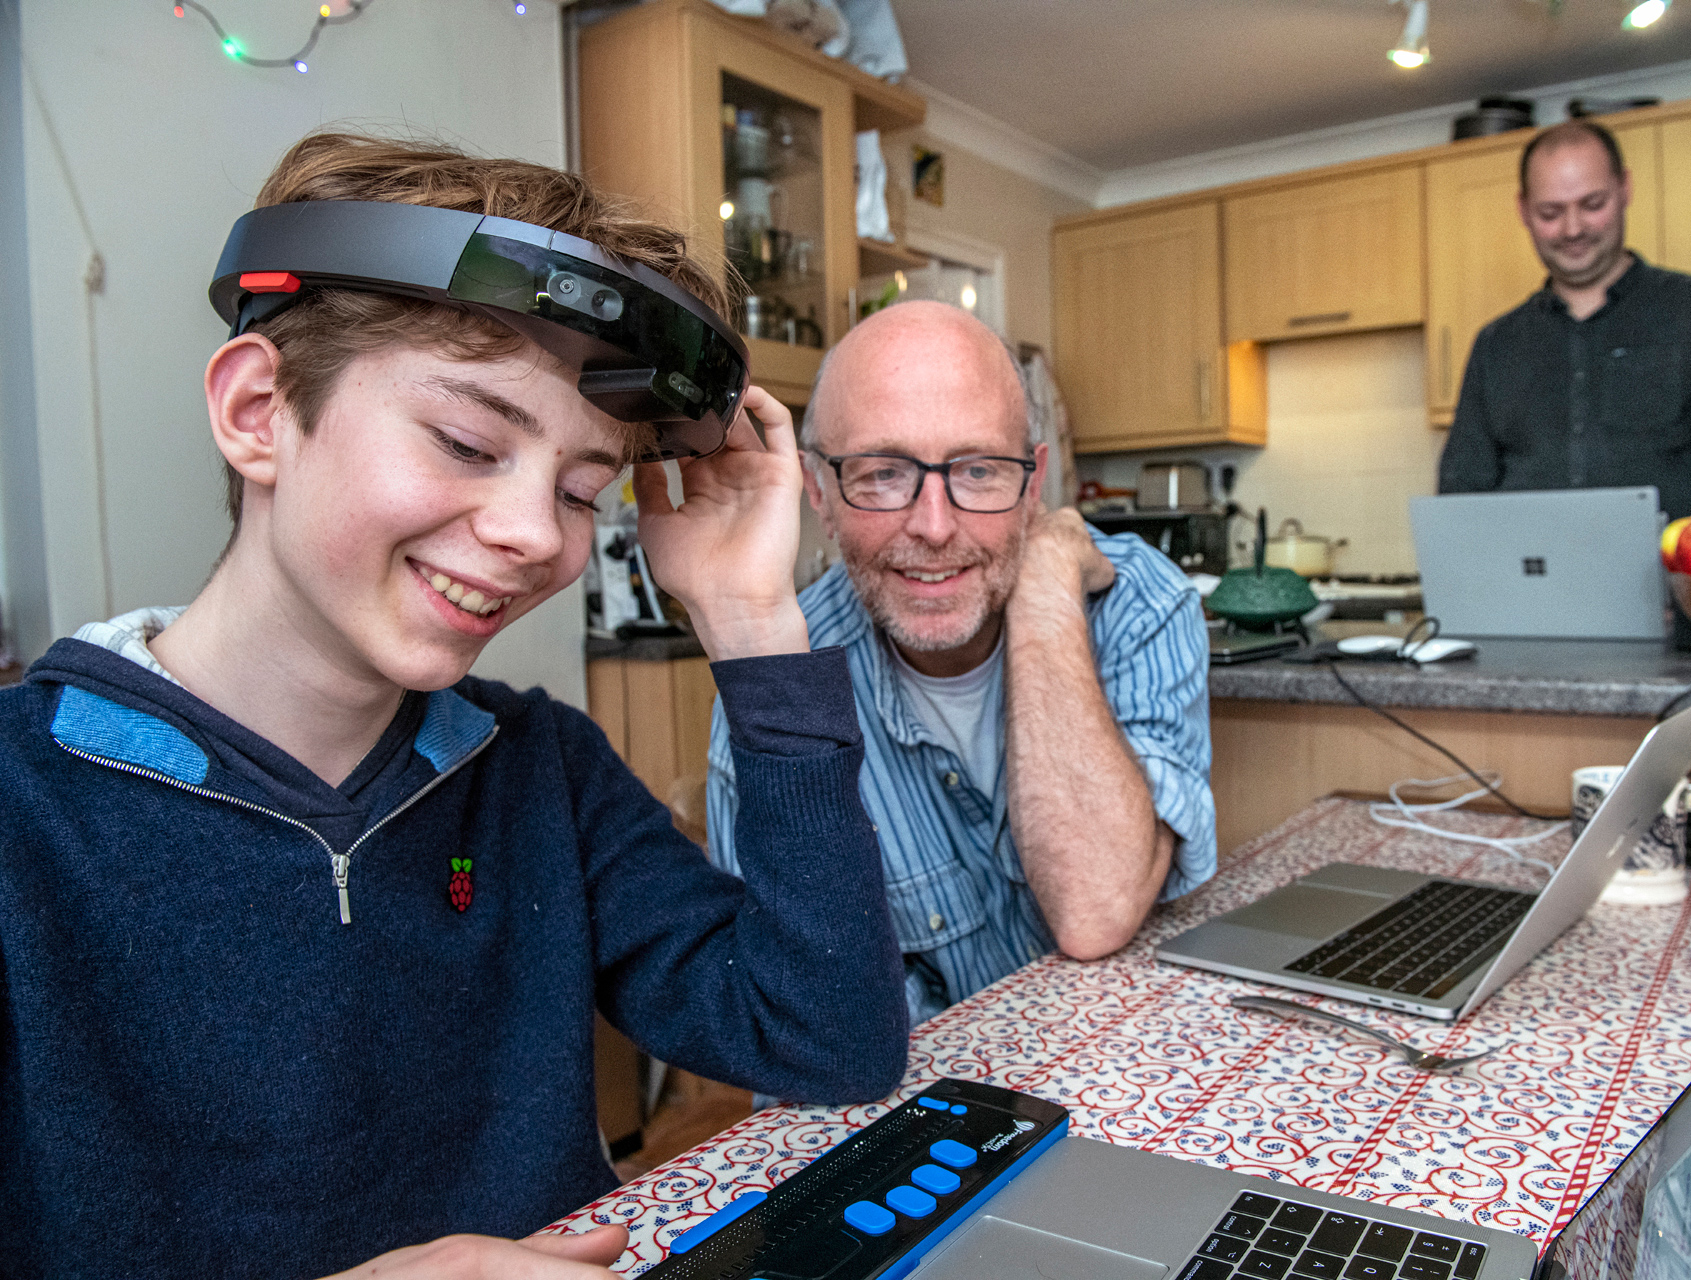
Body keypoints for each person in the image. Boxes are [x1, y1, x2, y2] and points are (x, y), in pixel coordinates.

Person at [0, 133, 909, 1279]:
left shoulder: (539, 767)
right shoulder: (25, 805)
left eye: (584, 489)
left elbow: (827, 1036)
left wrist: (749, 619)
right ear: (257, 410)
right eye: (469, 441)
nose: (538, 534)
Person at [706, 301, 1216, 1026]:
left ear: (1034, 485)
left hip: (1135, 1071)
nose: (935, 527)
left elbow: (1094, 909)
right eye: (883, 473)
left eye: (978, 471)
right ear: (816, 490)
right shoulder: (775, 689)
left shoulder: (1141, 604)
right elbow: (804, 1036)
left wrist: (1044, 587)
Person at [1437, 119, 1691, 522]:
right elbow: (1460, 500)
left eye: (1593, 205)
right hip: (1531, 583)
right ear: (1523, 210)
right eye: (1550, 213)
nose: (1573, 228)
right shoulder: (1496, 344)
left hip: (1675, 582)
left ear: (1624, 189)